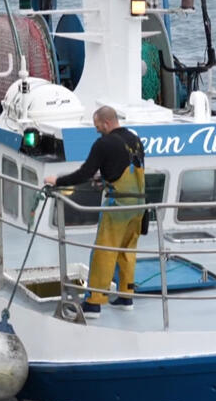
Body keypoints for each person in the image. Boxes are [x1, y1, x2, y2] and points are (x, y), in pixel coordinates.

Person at [45, 106, 145, 319]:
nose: (96, 129)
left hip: (118, 206)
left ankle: (94, 303)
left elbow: (84, 173)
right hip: (138, 207)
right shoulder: (134, 139)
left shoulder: (103, 143)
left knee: (104, 251)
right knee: (127, 250)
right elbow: (123, 166)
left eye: (97, 125)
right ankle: (126, 297)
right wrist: (105, 178)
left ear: (106, 122)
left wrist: (58, 181)